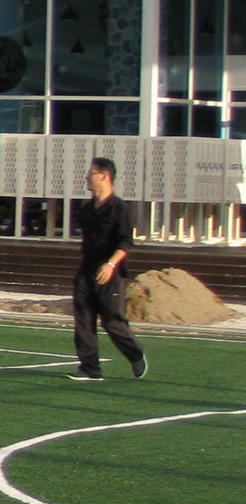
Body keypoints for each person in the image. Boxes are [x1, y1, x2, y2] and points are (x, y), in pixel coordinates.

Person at [71, 156, 147, 382]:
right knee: (83, 320)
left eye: (91, 173)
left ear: (104, 176)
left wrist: (111, 264)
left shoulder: (119, 208)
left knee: (112, 322)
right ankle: (90, 368)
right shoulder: (86, 208)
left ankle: (135, 354)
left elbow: (126, 243)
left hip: (110, 273)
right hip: (87, 271)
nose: (87, 177)